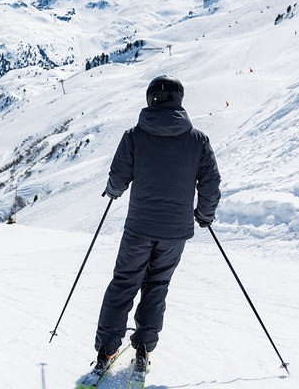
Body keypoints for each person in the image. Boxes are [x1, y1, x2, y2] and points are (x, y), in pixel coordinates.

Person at [93, 76, 221, 371]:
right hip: (175, 232)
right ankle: (143, 348)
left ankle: (108, 348)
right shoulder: (198, 140)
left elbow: (118, 176)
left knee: (124, 283)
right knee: (157, 284)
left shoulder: (135, 136)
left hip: (139, 227)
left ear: (150, 99)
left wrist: (113, 191)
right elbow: (211, 183)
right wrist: (204, 214)